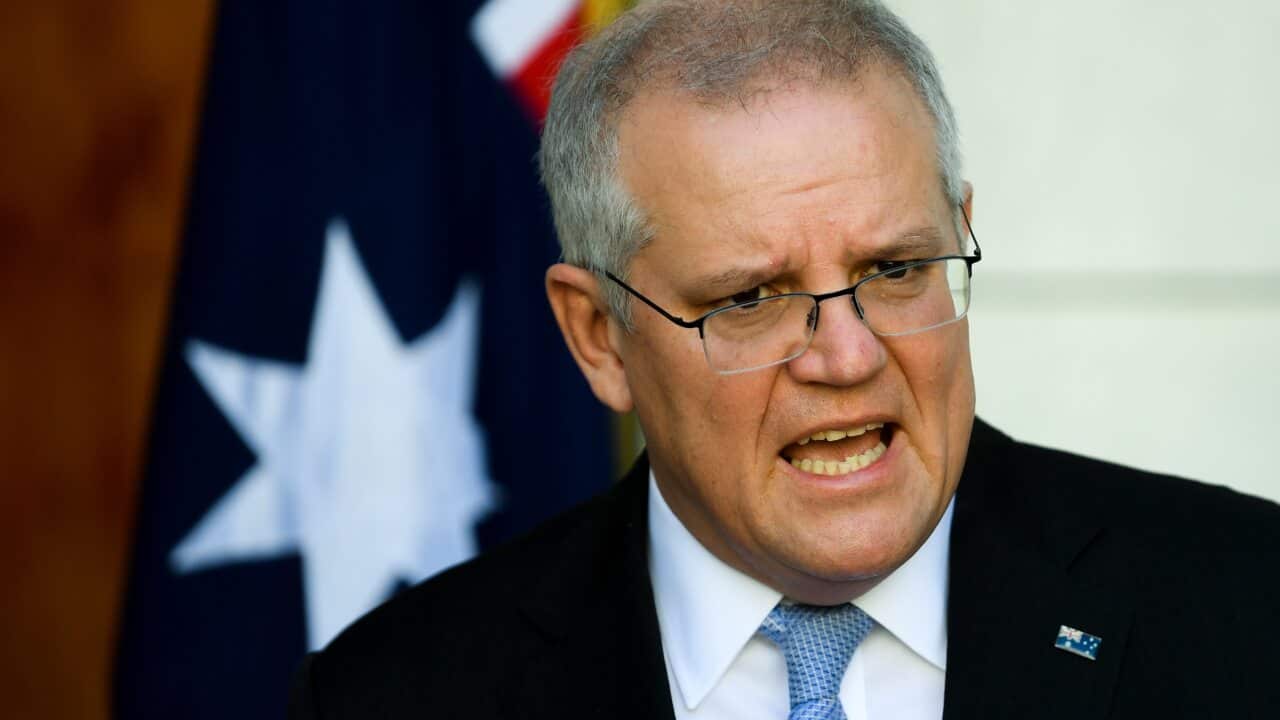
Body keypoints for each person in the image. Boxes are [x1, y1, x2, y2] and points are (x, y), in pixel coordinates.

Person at [289, 1, 1280, 717]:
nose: (846, 357)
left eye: (894, 269)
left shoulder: (1245, 613)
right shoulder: (398, 693)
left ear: (959, 233)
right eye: (750, 299)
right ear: (598, 337)